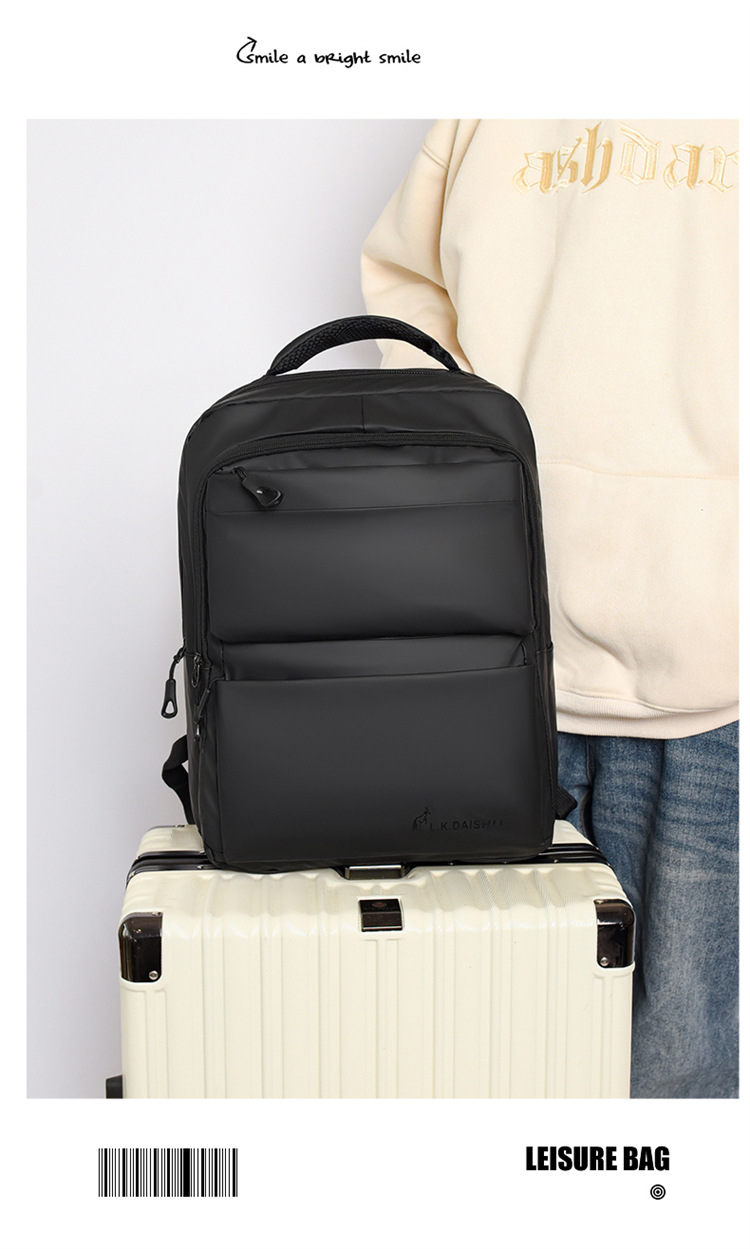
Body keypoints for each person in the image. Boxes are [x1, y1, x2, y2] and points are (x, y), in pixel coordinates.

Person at [361, 119, 738, 1098]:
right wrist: (466, 475)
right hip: (503, 645)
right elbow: (406, 285)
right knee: (493, 1030)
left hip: (714, 653)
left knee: (682, 1055)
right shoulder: (493, 94)